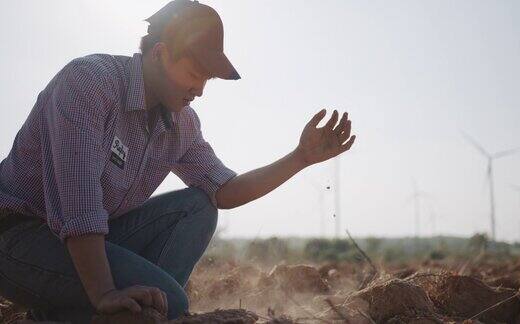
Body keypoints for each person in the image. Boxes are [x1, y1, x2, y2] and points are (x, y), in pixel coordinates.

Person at [0, 0, 356, 322]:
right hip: (18, 236)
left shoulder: (182, 123)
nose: (200, 89)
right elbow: (78, 203)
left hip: (88, 243)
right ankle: (101, 312)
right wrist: (105, 293)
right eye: (195, 73)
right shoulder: (89, 84)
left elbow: (225, 191)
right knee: (169, 299)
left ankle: (108, 313)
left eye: (207, 79)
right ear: (160, 54)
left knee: (199, 207)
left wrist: (300, 158)